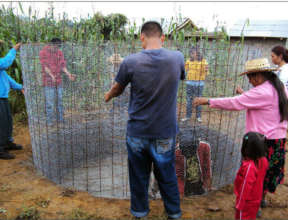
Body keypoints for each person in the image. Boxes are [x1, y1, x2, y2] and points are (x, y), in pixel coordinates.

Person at [105, 21, 185, 219]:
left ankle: (140, 213)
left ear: (142, 37)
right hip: (164, 132)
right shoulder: (177, 58)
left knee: (138, 177)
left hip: (138, 132)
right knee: (167, 175)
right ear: (163, 37)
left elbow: (117, 88)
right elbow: (180, 76)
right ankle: (174, 214)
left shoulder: (130, 62)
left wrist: (108, 96)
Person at [193, 58, 288, 216]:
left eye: (250, 78)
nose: (249, 81)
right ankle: (261, 199)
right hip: (278, 140)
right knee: (267, 173)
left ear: (257, 76)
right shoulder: (279, 88)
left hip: (261, 143)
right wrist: (246, 95)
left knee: (254, 175)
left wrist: (208, 101)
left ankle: (253, 204)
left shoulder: (261, 91)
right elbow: (264, 103)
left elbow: (235, 103)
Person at [39, 38, 76, 126]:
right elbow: (45, 67)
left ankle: (61, 119)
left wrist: (68, 74)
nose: (57, 50)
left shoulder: (59, 52)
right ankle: (50, 121)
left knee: (60, 101)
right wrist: (51, 76)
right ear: (51, 45)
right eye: (55, 47)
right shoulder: (43, 52)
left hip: (58, 81)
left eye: (58, 48)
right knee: (50, 103)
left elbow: (63, 66)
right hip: (48, 82)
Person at [234, 132, 268, 220]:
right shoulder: (264, 160)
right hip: (256, 198)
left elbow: (246, 186)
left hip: (246, 202)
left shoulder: (249, 166)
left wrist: (240, 204)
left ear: (246, 149)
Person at [0, 43, 23, 160]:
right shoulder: (1, 63)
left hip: (3, 97)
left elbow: (6, 78)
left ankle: (7, 142)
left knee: (8, 121)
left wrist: (20, 87)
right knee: (1, 123)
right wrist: (14, 50)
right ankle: (0, 149)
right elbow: (5, 63)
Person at [182, 47, 209, 123]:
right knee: (189, 100)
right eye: (191, 53)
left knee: (199, 100)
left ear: (197, 53)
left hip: (199, 84)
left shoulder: (203, 61)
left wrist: (206, 69)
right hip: (189, 83)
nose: (192, 55)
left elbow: (207, 72)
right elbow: (184, 70)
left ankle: (198, 117)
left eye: (193, 53)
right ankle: (187, 116)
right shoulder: (188, 61)